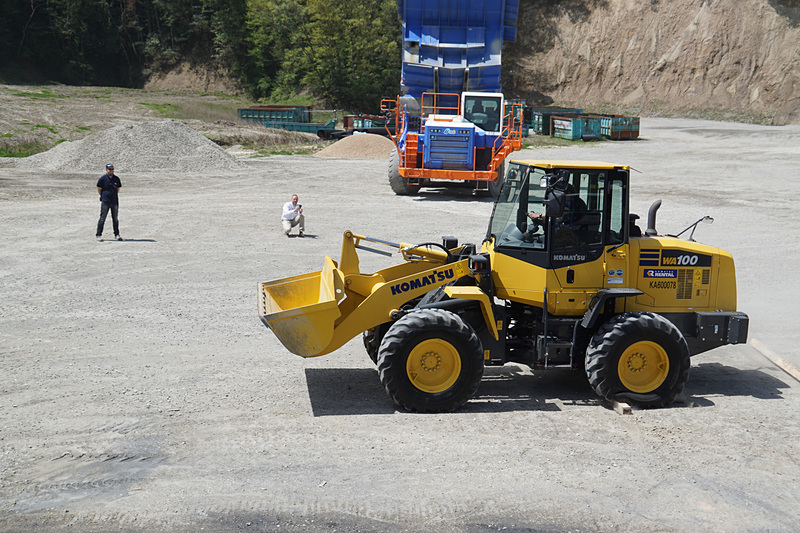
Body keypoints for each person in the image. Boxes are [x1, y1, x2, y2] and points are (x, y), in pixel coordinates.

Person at [96, 163, 122, 241]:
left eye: (112, 169)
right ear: (106, 170)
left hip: (114, 201)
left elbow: (117, 189)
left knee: (115, 219)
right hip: (105, 201)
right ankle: (98, 234)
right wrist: (103, 196)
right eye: (110, 169)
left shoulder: (116, 179)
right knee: (102, 218)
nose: (111, 170)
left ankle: (117, 234)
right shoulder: (102, 179)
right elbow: (99, 189)